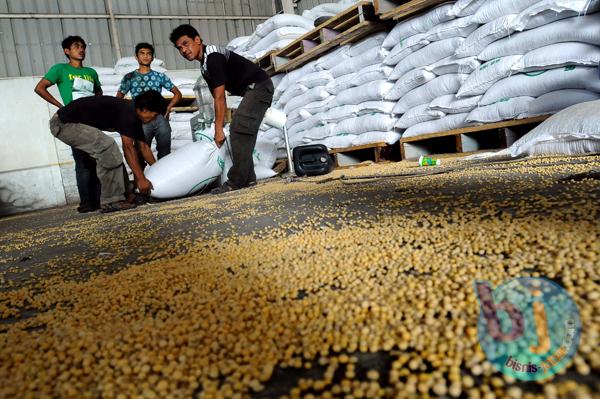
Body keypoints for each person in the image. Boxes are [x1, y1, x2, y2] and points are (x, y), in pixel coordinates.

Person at [169, 24, 274, 194]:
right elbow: (215, 97)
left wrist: (219, 129)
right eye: (179, 48)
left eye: (186, 43)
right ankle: (249, 178)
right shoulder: (204, 66)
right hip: (251, 90)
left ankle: (236, 181)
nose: (184, 50)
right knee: (243, 130)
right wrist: (217, 123)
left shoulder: (213, 58)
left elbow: (220, 97)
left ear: (197, 40)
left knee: (239, 128)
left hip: (259, 86)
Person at [47, 91, 165, 213]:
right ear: (144, 109)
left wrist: (160, 170)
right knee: (107, 147)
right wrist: (141, 179)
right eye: (154, 115)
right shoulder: (128, 112)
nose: (153, 119)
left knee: (111, 153)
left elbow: (143, 147)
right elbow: (128, 149)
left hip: (73, 123)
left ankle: (126, 195)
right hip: (63, 124)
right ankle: (111, 201)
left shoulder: (134, 114)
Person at [34, 35, 104, 212]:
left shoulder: (91, 73)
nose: (81, 50)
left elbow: (98, 91)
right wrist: (61, 106)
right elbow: (39, 88)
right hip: (74, 121)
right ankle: (86, 201)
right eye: (76, 47)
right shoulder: (60, 69)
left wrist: (98, 107)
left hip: (93, 119)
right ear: (67, 51)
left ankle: (98, 200)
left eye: (83, 47)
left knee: (95, 159)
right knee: (81, 161)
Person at [116, 42, 182, 160]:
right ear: (136, 57)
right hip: (141, 120)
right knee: (140, 153)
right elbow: (118, 98)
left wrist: (168, 108)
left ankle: (163, 177)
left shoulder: (159, 76)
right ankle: (141, 177)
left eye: (148, 54)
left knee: (165, 153)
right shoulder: (129, 77)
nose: (145, 56)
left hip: (159, 118)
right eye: (142, 53)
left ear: (152, 57)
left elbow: (178, 94)